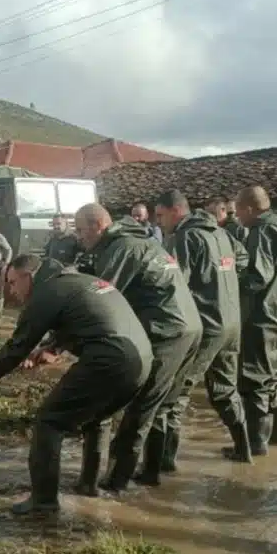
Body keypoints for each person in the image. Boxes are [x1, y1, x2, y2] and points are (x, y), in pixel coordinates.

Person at [0, 254, 153, 513]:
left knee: (49, 422)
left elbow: (18, 345)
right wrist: (53, 349)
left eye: (12, 282)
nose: (11, 290)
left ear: (28, 276)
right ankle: (88, 486)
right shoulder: (77, 282)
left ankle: (43, 503)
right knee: (98, 418)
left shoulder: (46, 291)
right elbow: (90, 320)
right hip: (143, 359)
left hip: (110, 358)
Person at [73, 203, 202, 492]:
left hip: (167, 332)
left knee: (140, 405)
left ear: (98, 226)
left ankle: (116, 482)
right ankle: (152, 472)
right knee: (162, 404)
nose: (78, 237)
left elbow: (101, 300)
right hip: (190, 327)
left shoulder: (121, 248)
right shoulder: (140, 241)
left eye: (81, 230)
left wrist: (59, 341)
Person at [152, 190, 252, 468]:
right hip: (231, 323)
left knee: (176, 394)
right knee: (225, 390)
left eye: (160, 215)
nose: (158, 222)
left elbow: (175, 284)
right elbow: (243, 260)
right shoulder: (221, 233)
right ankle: (244, 450)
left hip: (206, 326)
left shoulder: (185, 237)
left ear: (176, 211)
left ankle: (164, 464)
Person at [235, 186, 277, 457]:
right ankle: (275, 437)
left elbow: (258, 277)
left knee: (254, 381)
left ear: (250, 208)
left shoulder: (261, 231)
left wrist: (231, 280)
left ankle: (255, 444)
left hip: (262, 316)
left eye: (238, 211)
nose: (237, 217)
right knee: (271, 378)